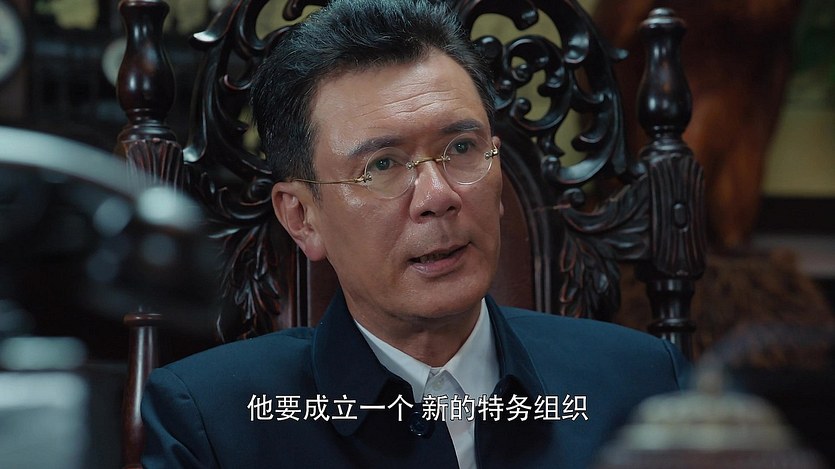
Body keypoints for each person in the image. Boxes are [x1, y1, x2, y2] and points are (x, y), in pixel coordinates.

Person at [140, 0, 689, 467]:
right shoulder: (211, 424)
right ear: (302, 217)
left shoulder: (640, 386)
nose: (438, 196)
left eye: (462, 148)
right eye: (382, 165)